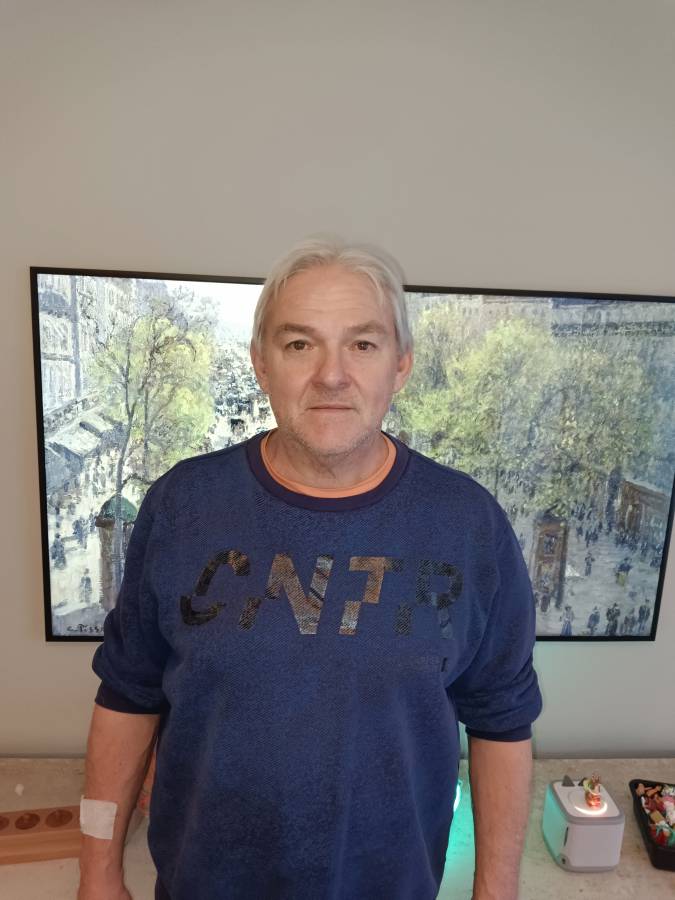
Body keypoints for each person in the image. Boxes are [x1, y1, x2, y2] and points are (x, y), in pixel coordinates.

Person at [79, 238, 543, 900]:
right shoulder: (183, 504)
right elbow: (127, 697)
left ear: (401, 366)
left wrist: (496, 893)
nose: (331, 375)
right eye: (300, 344)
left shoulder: (468, 524)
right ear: (261, 363)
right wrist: (97, 874)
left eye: (363, 344)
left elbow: (502, 721)